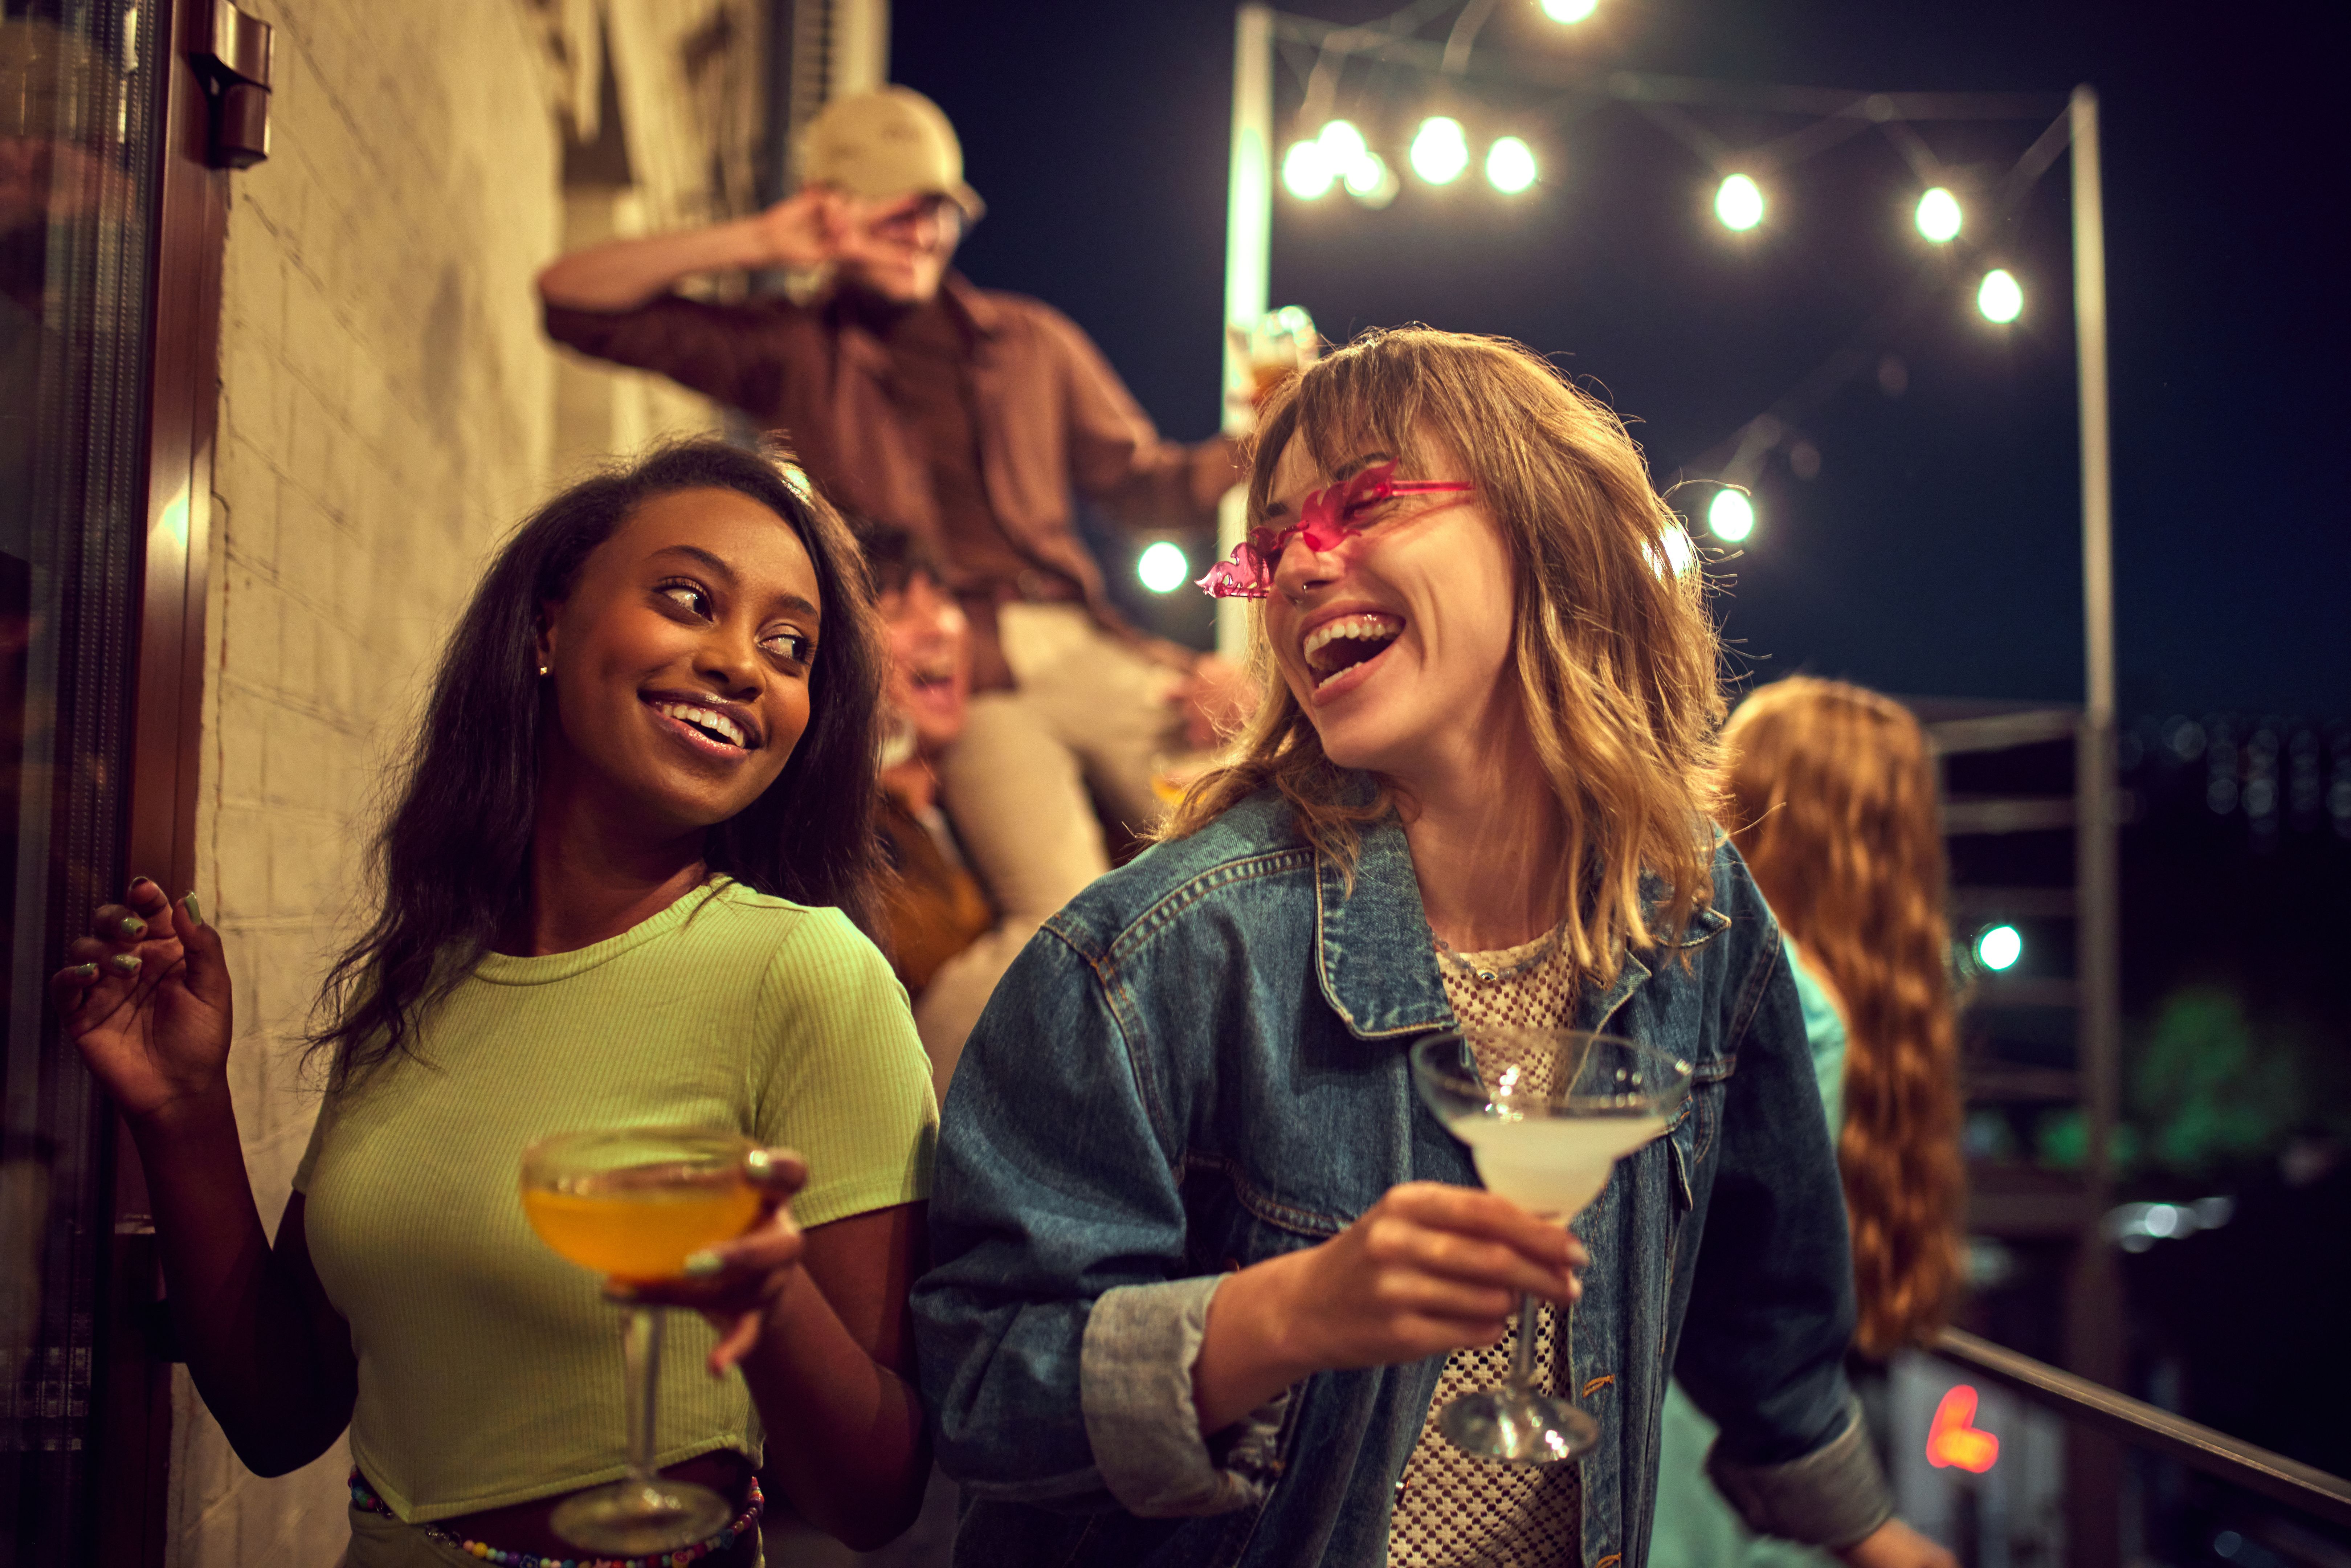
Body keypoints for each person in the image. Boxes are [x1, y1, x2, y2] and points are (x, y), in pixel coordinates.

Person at [911, 327, 1955, 1568]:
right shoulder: (1156, 955)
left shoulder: (1693, 909)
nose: (1299, 563)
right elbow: (977, 1384)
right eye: (1271, 539)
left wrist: (1871, 1532)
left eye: (1369, 501)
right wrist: (1282, 1313)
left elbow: (1764, 1312)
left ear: (1546, 528)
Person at [53, 440, 939, 1565]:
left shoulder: (808, 972)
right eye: (687, 599)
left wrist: (766, 1301)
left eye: (789, 647)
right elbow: (281, 1415)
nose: (741, 665)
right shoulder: (419, 978)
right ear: (547, 629)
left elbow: (877, 1499)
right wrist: (182, 1111)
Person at [535, 86, 1252, 928]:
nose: (920, 232)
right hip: (954, 676)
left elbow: (1146, 488)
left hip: (1073, 638)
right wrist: (763, 239)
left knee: (1248, 833)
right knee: (1063, 922)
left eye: (938, 211)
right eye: (894, 213)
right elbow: (573, 299)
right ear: (831, 214)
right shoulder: (794, 350)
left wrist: (1259, 441)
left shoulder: (1030, 342)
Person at [1653, 676, 1966, 1565]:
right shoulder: (1854, 1003)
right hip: (1756, 1472)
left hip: (1687, 1460)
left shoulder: (1754, 982)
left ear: (1751, 802)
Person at [857, 518, 1054, 1099]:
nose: (937, 629)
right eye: (895, 610)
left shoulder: (985, 819)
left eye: (943, 599)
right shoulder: (843, 829)